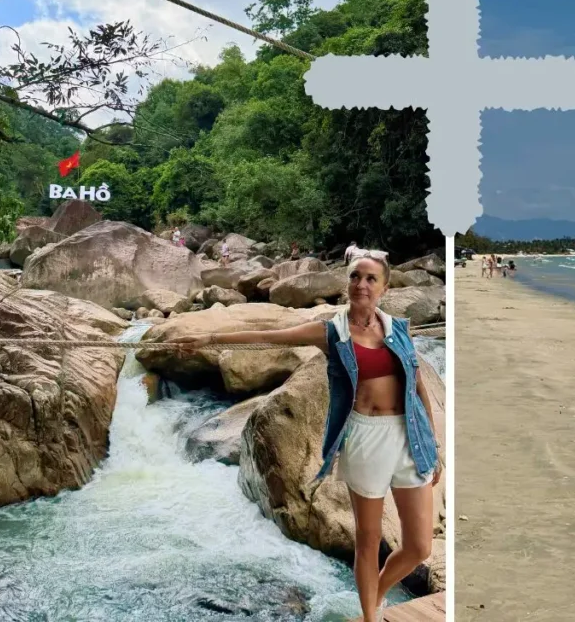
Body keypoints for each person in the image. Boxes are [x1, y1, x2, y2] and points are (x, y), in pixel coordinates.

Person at [174, 252, 441, 622]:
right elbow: (268, 337)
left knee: (418, 546)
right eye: (355, 277)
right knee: (366, 540)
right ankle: (370, 616)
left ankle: (378, 592)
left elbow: (419, 388)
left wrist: (435, 446)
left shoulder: (398, 328)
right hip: (365, 439)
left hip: (409, 437)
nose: (361, 284)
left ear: (385, 287)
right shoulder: (331, 332)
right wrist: (207, 339)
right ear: (347, 283)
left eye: (370, 279)